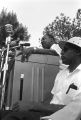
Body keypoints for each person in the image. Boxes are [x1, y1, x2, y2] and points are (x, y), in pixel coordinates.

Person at [3, 36, 81, 120]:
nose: (61, 52)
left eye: (65, 49)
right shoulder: (61, 74)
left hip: (62, 116)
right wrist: (33, 107)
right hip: (48, 112)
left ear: (78, 52)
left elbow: (73, 110)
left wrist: (33, 106)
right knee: (4, 113)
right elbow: (52, 97)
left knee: (13, 117)